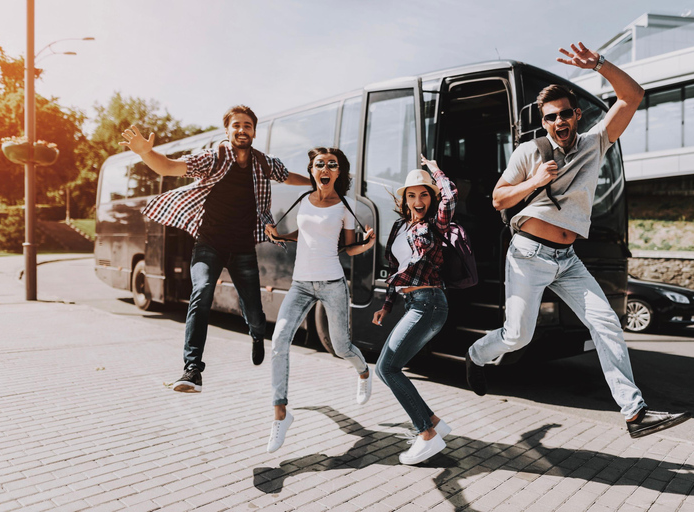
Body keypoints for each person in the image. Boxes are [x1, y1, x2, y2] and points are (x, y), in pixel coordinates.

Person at [464, 43, 691, 439]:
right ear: (544, 121)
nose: (559, 121)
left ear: (577, 115)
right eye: (551, 117)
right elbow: (499, 199)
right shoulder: (527, 152)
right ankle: (476, 354)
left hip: (568, 259)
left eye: (565, 113)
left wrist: (600, 64)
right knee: (518, 336)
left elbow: (632, 96)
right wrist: (536, 181)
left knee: (606, 325)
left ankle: (635, 413)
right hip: (527, 255)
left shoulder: (594, 143)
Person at [119, 105, 311, 393]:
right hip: (209, 245)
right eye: (236, 125)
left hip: (243, 247)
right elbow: (170, 166)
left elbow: (288, 176)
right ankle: (192, 369)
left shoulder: (263, 163)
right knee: (202, 291)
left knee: (255, 314)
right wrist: (145, 153)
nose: (241, 130)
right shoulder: (214, 158)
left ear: (254, 132)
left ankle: (257, 335)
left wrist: (320, 187)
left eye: (247, 125)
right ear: (227, 130)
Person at [263, 147, 376, 453]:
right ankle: (281, 414)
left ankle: (364, 372)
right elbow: (304, 233)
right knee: (278, 341)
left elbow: (348, 248)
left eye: (332, 165)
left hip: (332, 284)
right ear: (312, 170)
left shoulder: (346, 206)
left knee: (341, 347)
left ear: (339, 172)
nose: (325, 169)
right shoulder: (303, 200)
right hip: (300, 284)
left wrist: (367, 244)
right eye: (319, 165)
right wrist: (280, 235)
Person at [371, 155, 456, 465]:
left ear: (430, 198)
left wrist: (435, 170)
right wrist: (386, 306)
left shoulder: (436, 224)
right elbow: (395, 268)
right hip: (413, 304)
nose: (418, 200)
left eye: (424, 194)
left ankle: (427, 434)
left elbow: (451, 194)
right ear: (404, 199)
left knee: (386, 368)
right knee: (387, 368)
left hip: (430, 303)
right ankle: (432, 422)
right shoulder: (398, 226)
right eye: (412, 194)